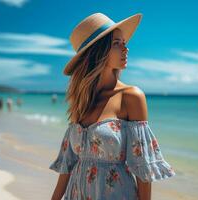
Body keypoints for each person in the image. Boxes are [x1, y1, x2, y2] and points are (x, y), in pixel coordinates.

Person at [49, 13, 176, 200]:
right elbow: (68, 165)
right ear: (98, 51)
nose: (126, 49)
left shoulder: (131, 97)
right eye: (117, 43)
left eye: (124, 42)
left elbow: (143, 170)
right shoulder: (81, 100)